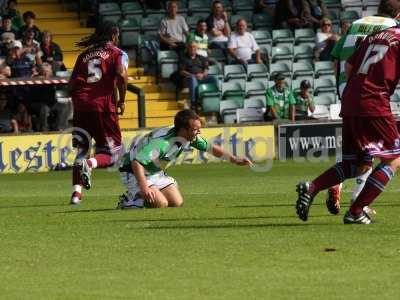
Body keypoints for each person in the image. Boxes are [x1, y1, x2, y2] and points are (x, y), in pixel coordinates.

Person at [296, 24, 400, 224]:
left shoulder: (376, 35)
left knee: (357, 164)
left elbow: (349, 66)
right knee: (393, 160)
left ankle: (312, 187)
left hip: (351, 97)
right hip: (374, 101)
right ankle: (356, 211)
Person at [326, 0, 400, 216]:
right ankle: (359, 202)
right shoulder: (392, 29)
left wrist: (343, 86)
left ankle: (338, 183)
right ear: (397, 14)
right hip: (372, 89)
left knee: (357, 149)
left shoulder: (358, 23)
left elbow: (337, 57)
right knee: (380, 151)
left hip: (348, 86)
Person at [117, 109, 252, 209]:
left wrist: (234, 159)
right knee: (160, 204)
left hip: (154, 172)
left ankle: (143, 195)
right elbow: (137, 162)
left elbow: (210, 148)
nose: (199, 132)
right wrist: (145, 187)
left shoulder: (188, 136)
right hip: (133, 171)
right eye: (195, 129)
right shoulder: (162, 143)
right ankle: (129, 201)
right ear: (183, 129)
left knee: (176, 203)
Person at [69, 20, 127, 205]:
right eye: (116, 35)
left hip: (81, 107)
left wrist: (80, 101)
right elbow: (122, 74)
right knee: (114, 152)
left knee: (81, 151)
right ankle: (91, 164)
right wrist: (122, 100)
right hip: (102, 107)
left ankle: (76, 195)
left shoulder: (83, 55)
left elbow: (71, 85)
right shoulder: (117, 53)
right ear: (113, 35)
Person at [180, 42, 218, 109]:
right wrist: (194, 75)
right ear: (188, 48)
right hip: (189, 79)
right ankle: (193, 102)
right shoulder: (184, 58)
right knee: (192, 79)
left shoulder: (201, 57)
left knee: (213, 78)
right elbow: (182, 71)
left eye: (194, 47)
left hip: (201, 77)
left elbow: (206, 69)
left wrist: (202, 75)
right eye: (191, 47)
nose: (192, 48)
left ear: (197, 48)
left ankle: (213, 98)